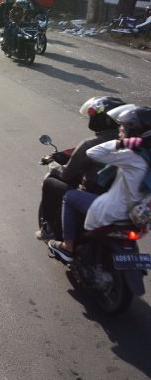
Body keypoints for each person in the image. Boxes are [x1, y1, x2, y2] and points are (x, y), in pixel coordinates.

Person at [49, 107, 151, 263]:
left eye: (123, 128)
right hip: (139, 217)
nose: (120, 131)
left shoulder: (130, 155)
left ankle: (67, 247)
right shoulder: (146, 154)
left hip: (114, 211)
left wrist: (120, 143)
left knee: (70, 197)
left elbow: (93, 153)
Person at [37, 96, 125, 241]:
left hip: (97, 197)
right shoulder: (134, 144)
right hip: (125, 202)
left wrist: (53, 165)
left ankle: (50, 230)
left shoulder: (91, 144)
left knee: (50, 182)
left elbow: (66, 174)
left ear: (100, 119)